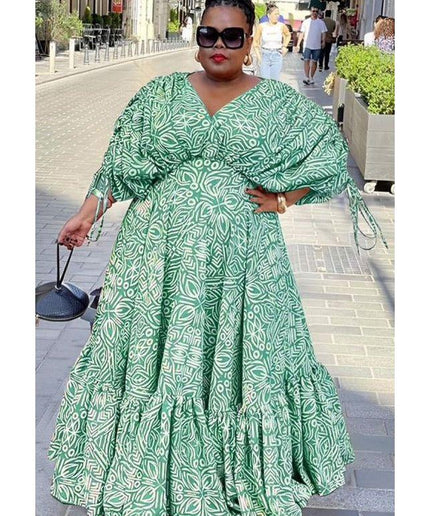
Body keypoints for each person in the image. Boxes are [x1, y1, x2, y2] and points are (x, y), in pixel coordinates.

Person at [49, 1, 385, 515]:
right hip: (157, 259)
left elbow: (328, 156)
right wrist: (87, 213)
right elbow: (120, 164)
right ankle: (146, 467)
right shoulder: (160, 95)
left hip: (242, 261)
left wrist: (285, 198)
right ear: (198, 39)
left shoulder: (277, 102)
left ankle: (233, 471)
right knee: (159, 361)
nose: (219, 47)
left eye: (232, 37)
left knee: (239, 361)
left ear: (251, 42)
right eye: (209, 35)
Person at [253, 3, 291, 80]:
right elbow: (255, 42)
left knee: (274, 81)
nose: (278, 16)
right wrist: (259, 57)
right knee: (265, 81)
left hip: (277, 55)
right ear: (269, 15)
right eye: (275, 14)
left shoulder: (281, 26)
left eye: (278, 14)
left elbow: (288, 35)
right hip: (265, 55)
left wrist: (284, 46)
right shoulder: (262, 26)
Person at [295, 7, 327, 85]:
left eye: (316, 11)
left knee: (314, 62)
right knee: (306, 60)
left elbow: (324, 32)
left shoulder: (321, 23)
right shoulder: (306, 22)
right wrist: (298, 44)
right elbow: (302, 33)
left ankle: (311, 77)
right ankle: (307, 77)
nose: (315, 12)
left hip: (317, 46)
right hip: (307, 45)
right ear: (311, 12)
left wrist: (323, 41)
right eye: (313, 11)